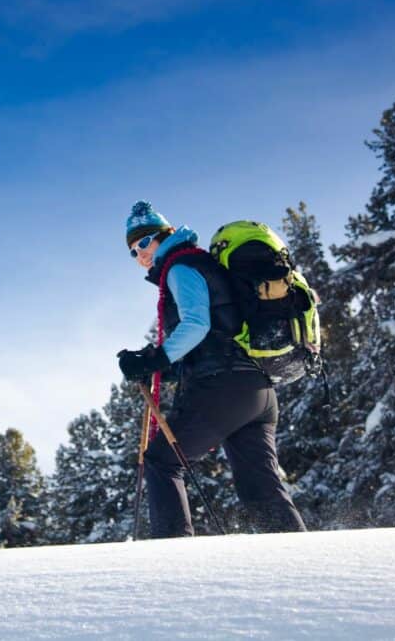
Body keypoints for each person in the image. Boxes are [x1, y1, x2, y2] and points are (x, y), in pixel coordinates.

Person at [117, 200, 306, 537]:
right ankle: (297, 561)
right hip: (256, 390)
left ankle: (173, 559)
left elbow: (197, 325)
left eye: (144, 242)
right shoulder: (205, 264)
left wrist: (156, 359)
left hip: (223, 387)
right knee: (260, 487)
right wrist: (158, 366)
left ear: (166, 235)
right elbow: (219, 333)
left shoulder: (180, 266)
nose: (140, 254)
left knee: (161, 461)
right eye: (133, 251)